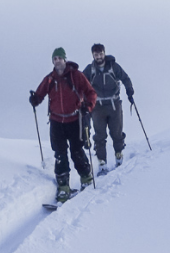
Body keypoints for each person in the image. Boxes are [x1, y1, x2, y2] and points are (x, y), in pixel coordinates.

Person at [30, 47, 97, 203]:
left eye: (59, 58)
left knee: (77, 151)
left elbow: (91, 93)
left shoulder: (76, 76)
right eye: (54, 59)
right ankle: (63, 188)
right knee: (60, 154)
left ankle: (86, 178)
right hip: (56, 121)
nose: (57, 61)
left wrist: (88, 107)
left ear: (65, 59)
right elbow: (40, 94)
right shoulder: (49, 79)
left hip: (75, 120)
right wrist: (35, 99)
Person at [83, 43, 135, 171]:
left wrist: (129, 90)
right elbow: (81, 83)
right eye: (96, 54)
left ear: (104, 53)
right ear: (93, 55)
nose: (99, 57)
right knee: (99, 135)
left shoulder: (113, 66)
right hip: (97, 106)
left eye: (101, 54)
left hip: (114, 104)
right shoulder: (90, 70)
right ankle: (102, 162)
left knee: (116, 132)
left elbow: (125, 78)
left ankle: (118, 154)